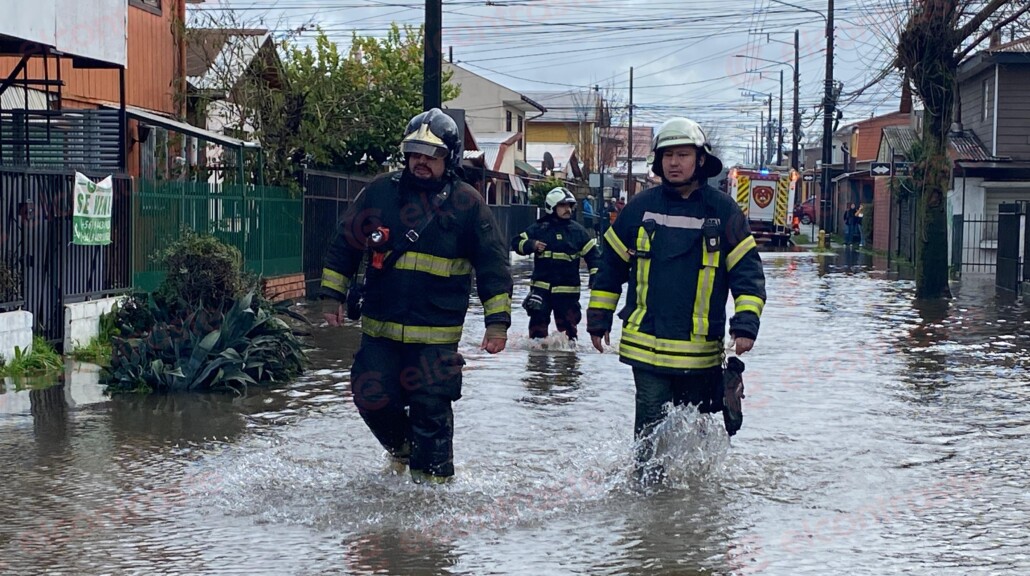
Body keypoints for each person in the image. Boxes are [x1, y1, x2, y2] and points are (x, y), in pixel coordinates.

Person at [320, 108, 513, 484]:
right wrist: (332, 295)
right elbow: (345, 242)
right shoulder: (379, 193)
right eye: (414, 152)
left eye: (431, 154)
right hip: (380, 332)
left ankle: (434, 504)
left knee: (431, 412)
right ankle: (404, 451)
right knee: (368, 394)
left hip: (436, 340)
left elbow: (493, 266)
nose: (420, 161)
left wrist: (498, 324)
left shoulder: (468, 205)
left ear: (450, 158)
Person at [586, 117, 767, 487]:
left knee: (694, 431)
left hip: (700, 350)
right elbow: (610, 267)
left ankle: (688, 500)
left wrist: (745, 325)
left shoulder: (724, 212)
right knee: (650, 426)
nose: (674, 162)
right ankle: (647, 494)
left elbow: (748, 274)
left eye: (682, 154)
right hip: (646, 346)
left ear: (700, 159)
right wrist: (598, 317)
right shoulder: (639, 208)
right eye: (667, 155)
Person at [512, 187, 601, 344]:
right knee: (536, 337)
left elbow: (594, 257)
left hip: (568, 293)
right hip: (541, 291)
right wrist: (531, 244)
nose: (568, 210)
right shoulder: (538, 228)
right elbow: (516, 243)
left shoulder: (578, 232)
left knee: (569, 338)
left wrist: (595, 278)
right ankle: (537, 366)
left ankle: (567, 365)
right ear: (552, 207)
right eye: (563, 206)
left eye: (569, 206)